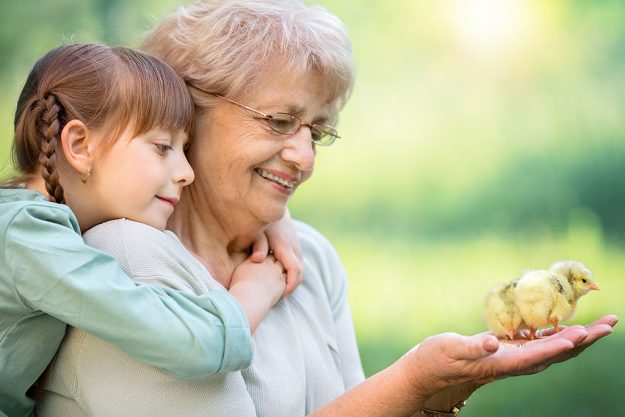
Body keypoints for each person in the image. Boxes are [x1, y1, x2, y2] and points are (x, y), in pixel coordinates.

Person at [38, 1, 617, 417]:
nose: (304, 157)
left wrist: (443, 389)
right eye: (279, 121)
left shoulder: (306, 254)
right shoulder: (126, 263)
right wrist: (413, 379)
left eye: (318, 131)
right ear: (186, 112)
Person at [0, 43, 303, 417]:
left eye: (185, 150)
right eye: (163, 147)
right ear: (79, 145)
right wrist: (254, 290)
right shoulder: (28, 241)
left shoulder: (27, 227)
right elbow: (191, 344)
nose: (186, 173)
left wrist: (274, 217)